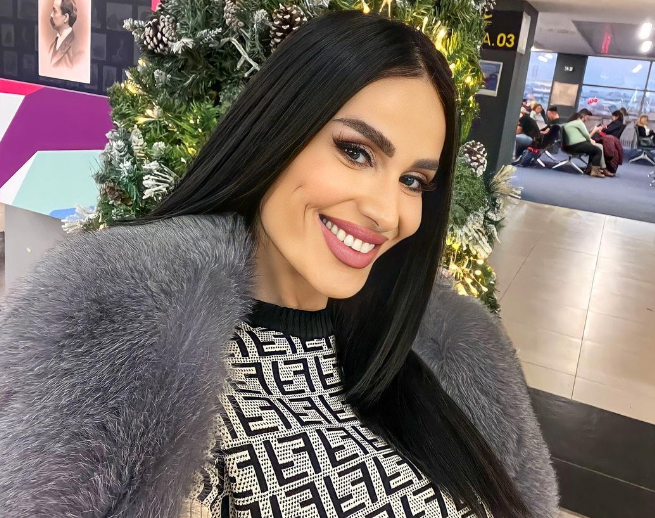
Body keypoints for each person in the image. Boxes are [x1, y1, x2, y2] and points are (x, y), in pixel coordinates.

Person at [0, 11, 558, 518]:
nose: (388, 213)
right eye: (356, 152)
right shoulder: (142, 368)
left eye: (413, 180)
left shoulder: (444, 356)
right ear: (276, 133)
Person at [564, 111, 606, 177]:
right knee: (597, 150)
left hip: (572, 145)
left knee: (596, 148)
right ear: (580, 117)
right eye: (586, 118)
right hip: (575, 146)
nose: (586, 120)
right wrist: (594, 131)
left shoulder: (570, 124)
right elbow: (586, 136)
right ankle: (597, 170)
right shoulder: (578, 123)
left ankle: (591, 169)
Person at [48, 0, 79, 67]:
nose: (51, 15)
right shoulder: (52, 46)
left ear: (66, 17)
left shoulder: (77, 50)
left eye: (55, 11)